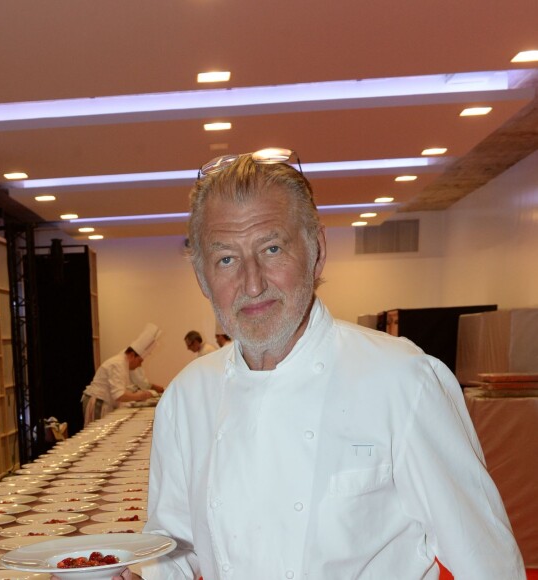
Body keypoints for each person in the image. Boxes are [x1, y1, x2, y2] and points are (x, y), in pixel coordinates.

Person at [138, 149, 523, 579]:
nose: (252, 282)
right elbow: (169, 549)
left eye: (271, 248)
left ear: (317, 250)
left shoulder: (401, 379)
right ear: (203, 278)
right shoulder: (187, 397)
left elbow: (487, 562)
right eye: (226, 258)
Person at [80, 322, 161, 426]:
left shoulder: (123, 363)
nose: (139, 366)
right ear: (132, 355)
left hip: (104, 401)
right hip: (98, 402)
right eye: (140, 361)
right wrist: (140, 396)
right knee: (98, 433)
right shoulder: (118, 364)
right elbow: (119, 394)